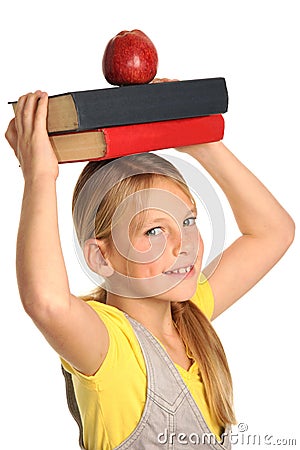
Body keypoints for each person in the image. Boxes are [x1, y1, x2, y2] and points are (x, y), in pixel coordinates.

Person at [5, 90, 295, 450]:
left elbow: (274, 231)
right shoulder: (110, 347)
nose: (183, 244)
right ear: (102, 258)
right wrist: (39, 179)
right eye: (154, 230)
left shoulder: (190, 318)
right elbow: (47, 302)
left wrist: (202, 142)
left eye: (188, 221)